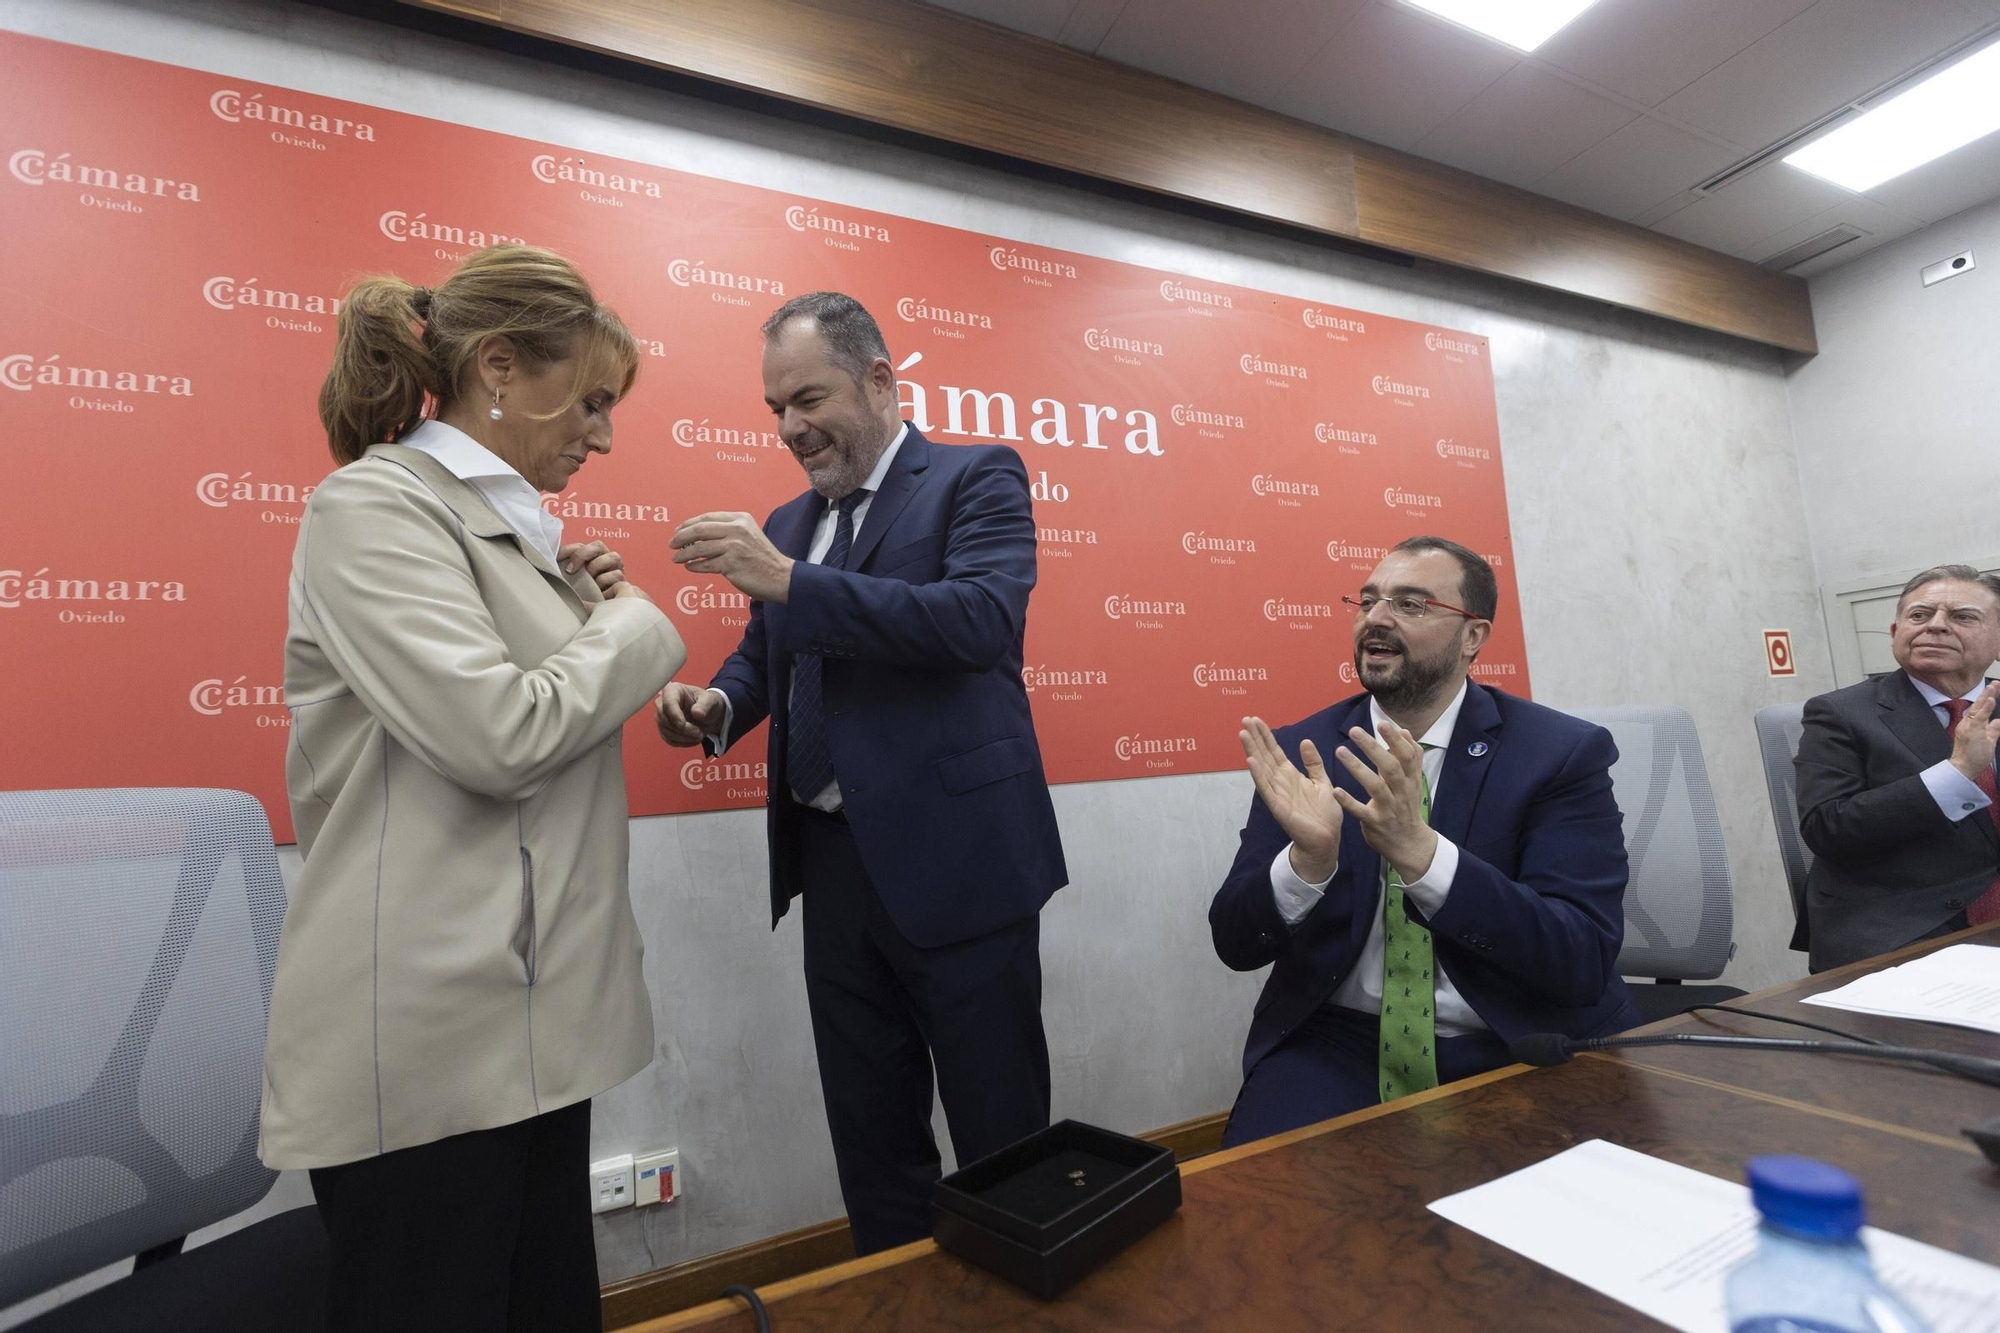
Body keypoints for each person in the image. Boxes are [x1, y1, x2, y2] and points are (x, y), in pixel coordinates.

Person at [265, 244, 686, 1331]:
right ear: (497, 367)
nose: (601, 435)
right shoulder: (373, 508)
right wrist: (634, 624)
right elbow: (499, 734)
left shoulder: (494, 528)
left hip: (529, 1032)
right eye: (589, 401)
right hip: (432, 1053)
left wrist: (579, 606)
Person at [655, 292, 1065, 1253]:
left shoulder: (977, 476)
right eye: (776, 411)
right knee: (872, 1137)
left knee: (1003, 1131)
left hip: (961, 864)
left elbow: (978, 622)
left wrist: (791, 581)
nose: (792, 429)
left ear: (880, 379)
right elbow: (768, 651)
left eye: (808, 398)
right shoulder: (789, 521)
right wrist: (718, 705)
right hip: (834, 867)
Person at [1209, 536, 1638, 1147]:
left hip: (1516, 1039)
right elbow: (1235, 943)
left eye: (1411, 604)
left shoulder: (1558, 755)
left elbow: (1579, 959)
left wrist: (1425, 857)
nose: (1376, 618)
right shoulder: (1305, 752)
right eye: (1368, 602)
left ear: (1473, 637)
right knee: (1257, 1223)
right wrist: (1306, 865)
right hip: (1338, 1044)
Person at [1795, 563, 2000, 971]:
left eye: (1962, 616)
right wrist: (1956, 771)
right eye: (1919, 615)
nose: (1935, 626)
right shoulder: (1838, 713)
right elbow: (1827, 828)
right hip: (1901, 923)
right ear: (1895, 635)